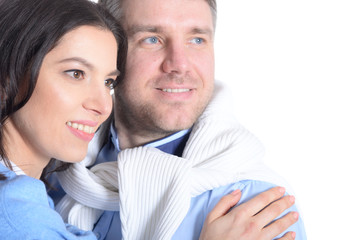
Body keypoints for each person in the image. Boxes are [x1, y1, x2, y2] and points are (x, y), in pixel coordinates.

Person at [53, 0, 307, 239]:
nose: (179, 64)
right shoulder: (55, 170)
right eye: (151, 39)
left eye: (196, 39)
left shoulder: (254, 210)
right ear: (107, 52)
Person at [0, 0, 127, 239]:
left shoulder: (28, 199)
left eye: (108, 82)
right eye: (76, 74)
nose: (103, 106)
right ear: (8, 77)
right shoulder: (16, 211)